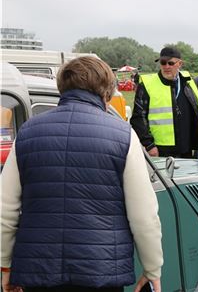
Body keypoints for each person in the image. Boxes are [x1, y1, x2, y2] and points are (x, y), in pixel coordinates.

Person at [1, 56, 163, 292]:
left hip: (38, 270)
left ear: (62, 87)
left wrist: (5, 266)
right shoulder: (124, 135)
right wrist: (152, 268)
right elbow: (144, 215)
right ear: (106, 92)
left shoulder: (28, 132)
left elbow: (5, 210)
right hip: (102, 269)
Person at [130, 46, 198, 158]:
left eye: (170, 63)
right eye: (163, 62)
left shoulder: (187, 81)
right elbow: (138, 118)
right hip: (160, 150)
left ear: (180, 64)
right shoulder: (147, 84)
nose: (166, 66)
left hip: (186, 147)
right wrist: (149, 145)